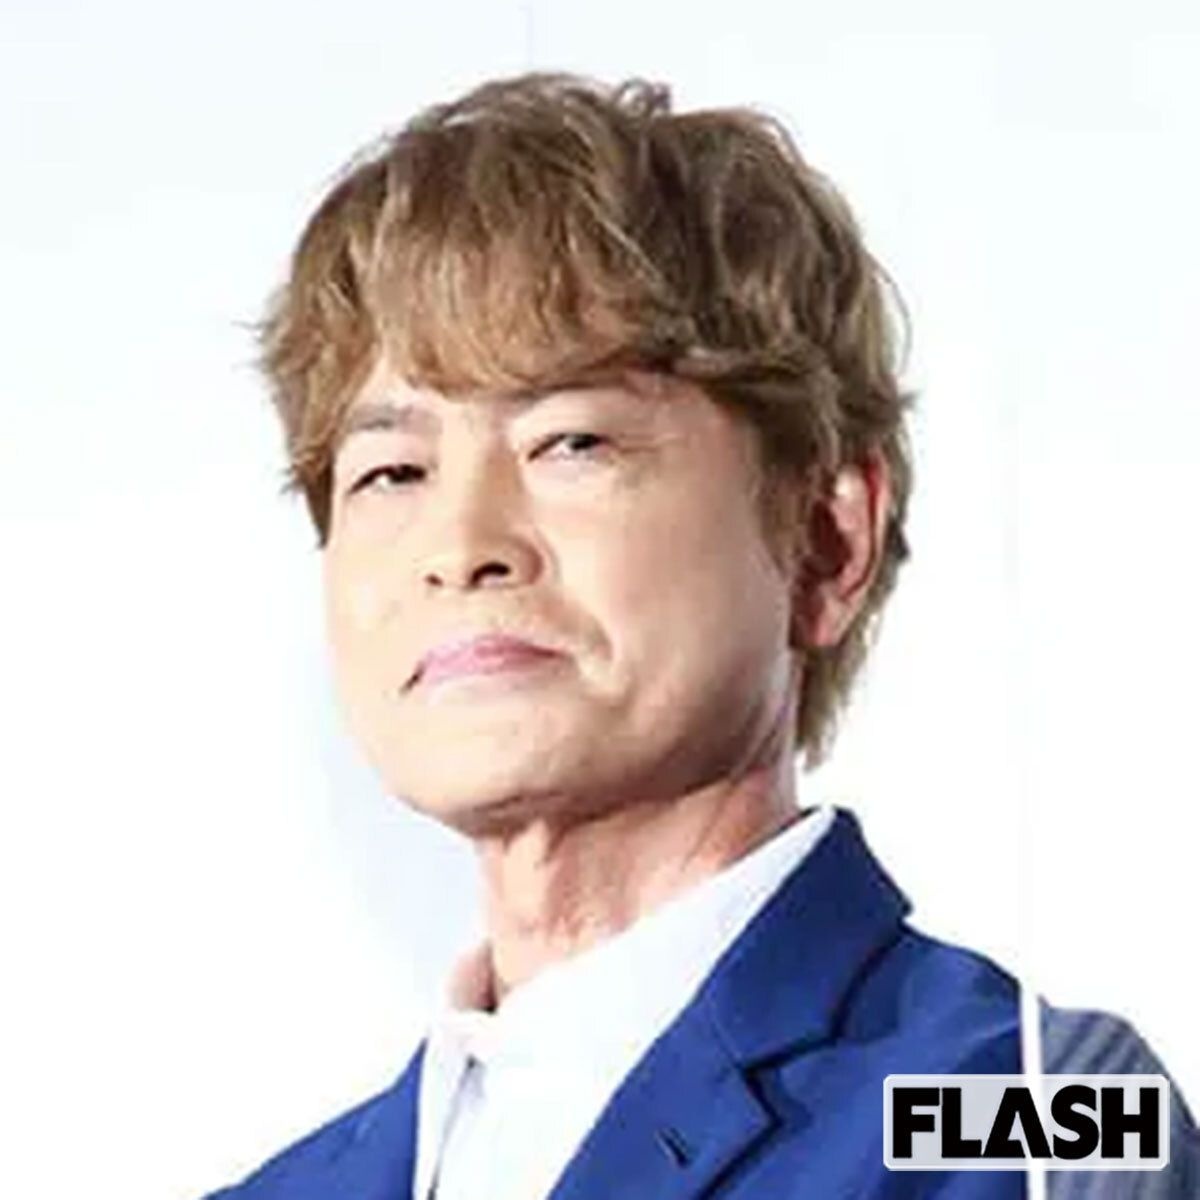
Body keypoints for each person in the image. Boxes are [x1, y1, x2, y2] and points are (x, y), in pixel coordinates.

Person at [202, 72, 1197, 1199]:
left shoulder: (1036, 1105)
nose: (462, 544)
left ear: (825, 539)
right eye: (392, 471)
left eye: (571, 442)